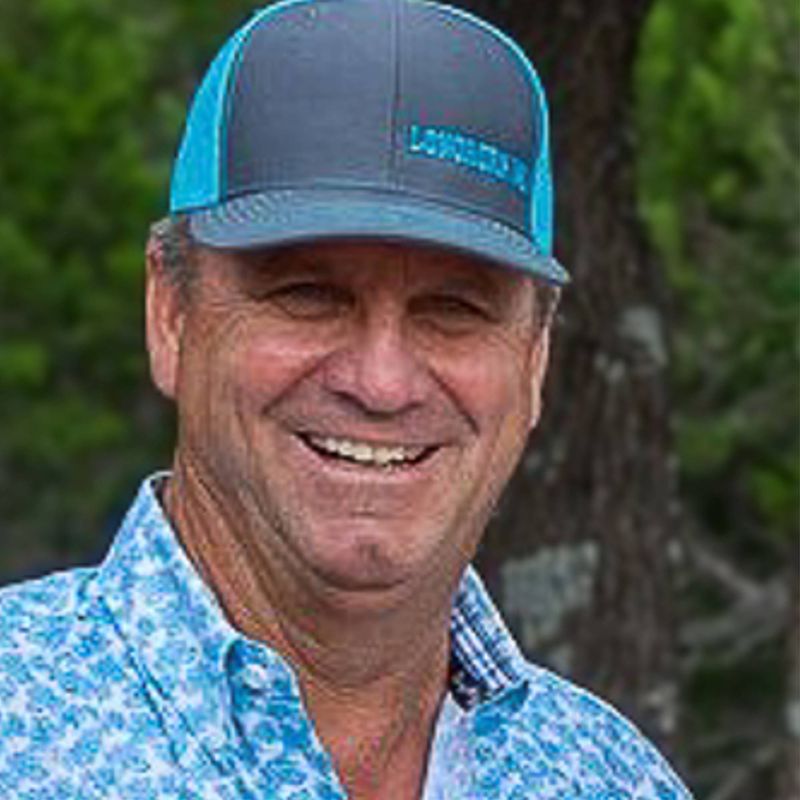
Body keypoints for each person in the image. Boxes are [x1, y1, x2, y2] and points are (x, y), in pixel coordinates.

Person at [0, 1, 693, 798]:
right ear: (171, 313)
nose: (381, 382)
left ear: (535, 355)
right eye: (307, 294)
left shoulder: (611, 777)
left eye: (454, 309)